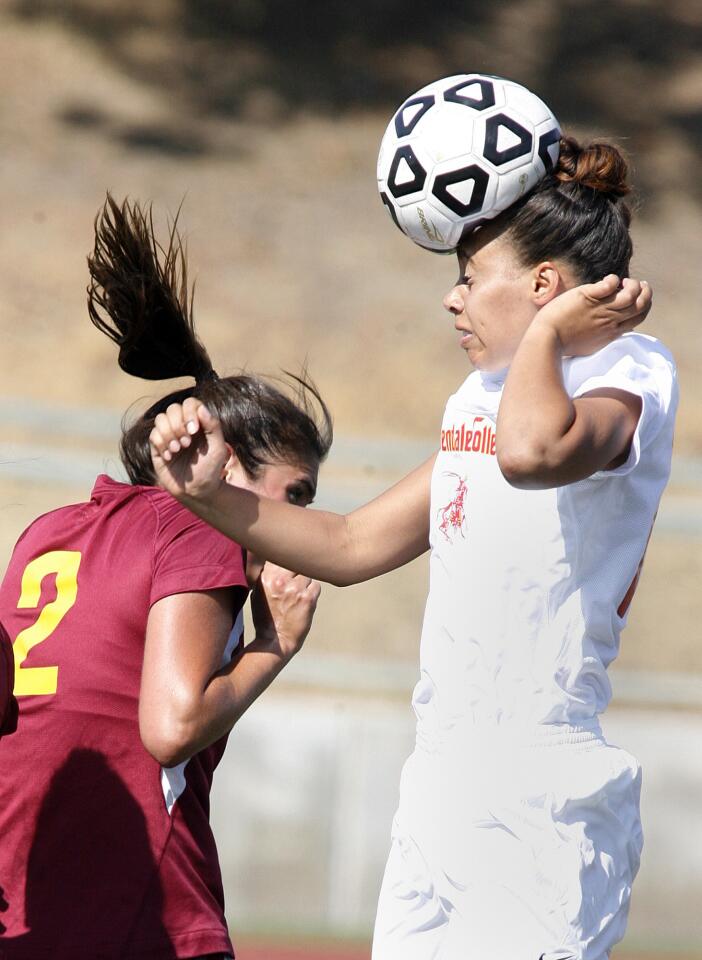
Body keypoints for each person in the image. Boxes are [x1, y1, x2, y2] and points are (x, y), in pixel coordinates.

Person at [149, 135, 677, 960]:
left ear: (545, 286)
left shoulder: (629, 371)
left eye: (470, 277)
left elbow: (535, 454)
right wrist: (207, 493)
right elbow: (353, 543)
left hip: (536, 785)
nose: (452, 299)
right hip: (439, 780)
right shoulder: (479, 396)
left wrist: (548, 336)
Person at [0, 196, 332, 960]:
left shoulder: (51, 530)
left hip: (25, 908)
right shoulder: (200, 527)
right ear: (225, 467)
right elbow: (172, 728)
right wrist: (275, 644)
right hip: (137, 915)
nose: (304, 524)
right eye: (298, 494)